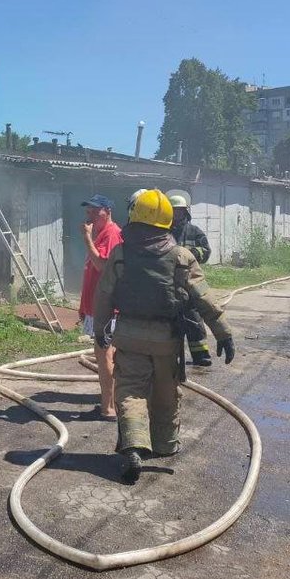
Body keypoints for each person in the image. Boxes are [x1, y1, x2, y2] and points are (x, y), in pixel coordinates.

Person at [92, 188, 235, 481]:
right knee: (166, 393)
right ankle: (166, 445)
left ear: (134, 217)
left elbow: (103, 296)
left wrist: (100, 331)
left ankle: (133, 446)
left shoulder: (120, 254)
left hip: (129, 336)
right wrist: (224, 333)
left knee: (130, 391)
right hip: (166, 340)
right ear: (168, 222)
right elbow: (203, 298)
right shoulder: (181, 257)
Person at [78, 193, 123, 418]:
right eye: (88, 211)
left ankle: (109, 408)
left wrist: (86, 239)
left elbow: (102, 266)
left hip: (106, 309)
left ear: (108, 211)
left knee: (105, 356)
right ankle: (109, 403)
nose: (91, 215)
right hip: (96, 308)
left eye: (96, 211)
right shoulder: (99, 233)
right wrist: (83, 309)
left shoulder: (112, 233)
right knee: (104, 355)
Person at [166, 190, 214, 367]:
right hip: (170, 286)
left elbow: (206, 252)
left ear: (185, 212)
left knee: (194, 321)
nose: (176, 214)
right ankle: (170, 357)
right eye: (172, 210)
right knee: (170, 324)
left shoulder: (194, 232)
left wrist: (191, 254)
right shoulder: (163, 231)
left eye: (179, 210)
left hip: (190, 285)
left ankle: (201, 355)